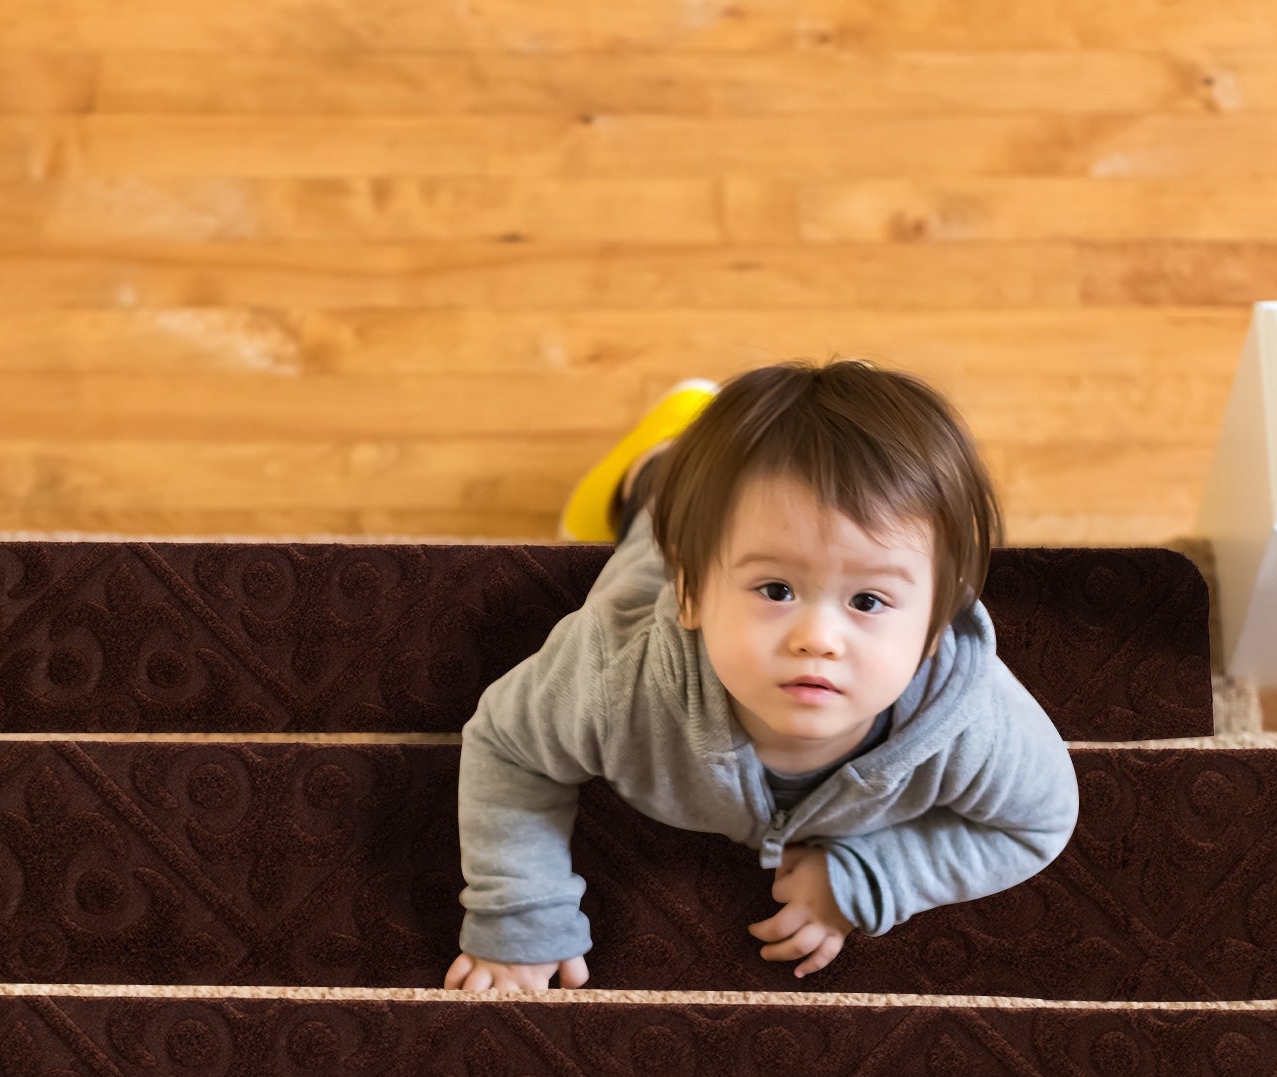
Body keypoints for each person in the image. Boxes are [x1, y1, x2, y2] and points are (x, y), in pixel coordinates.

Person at [442, 357, 1082, 994]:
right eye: (776, 589)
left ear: (937, 624)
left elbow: (1041, 820)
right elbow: (508, 746)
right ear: (691, 595)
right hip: (658, 553)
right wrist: (520, 912)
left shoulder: (970, 721)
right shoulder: (616, 674)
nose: (817, 640)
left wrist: (872, 877)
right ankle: (660, 450)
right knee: (664, 504)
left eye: (868, 602)